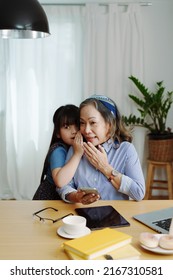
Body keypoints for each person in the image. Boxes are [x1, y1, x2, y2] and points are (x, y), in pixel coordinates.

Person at [57, 94, 145, 204]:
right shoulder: (76, 149)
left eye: (93, 122)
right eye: (82, 123)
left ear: (109, 124)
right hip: (82, 217)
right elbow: (63, 186)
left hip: (115, 218)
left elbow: (139, 193)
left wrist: (105, 167)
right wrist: (76, 197)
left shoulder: (126, 150)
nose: (86, 130)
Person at [32, 104, 83, 200]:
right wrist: (77, 154)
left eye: (77, 125)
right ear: (58, 133)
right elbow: (60, 181)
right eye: (66, 127)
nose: (74, 131)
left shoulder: (74, 147)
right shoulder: (59, 150)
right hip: (49, 199)